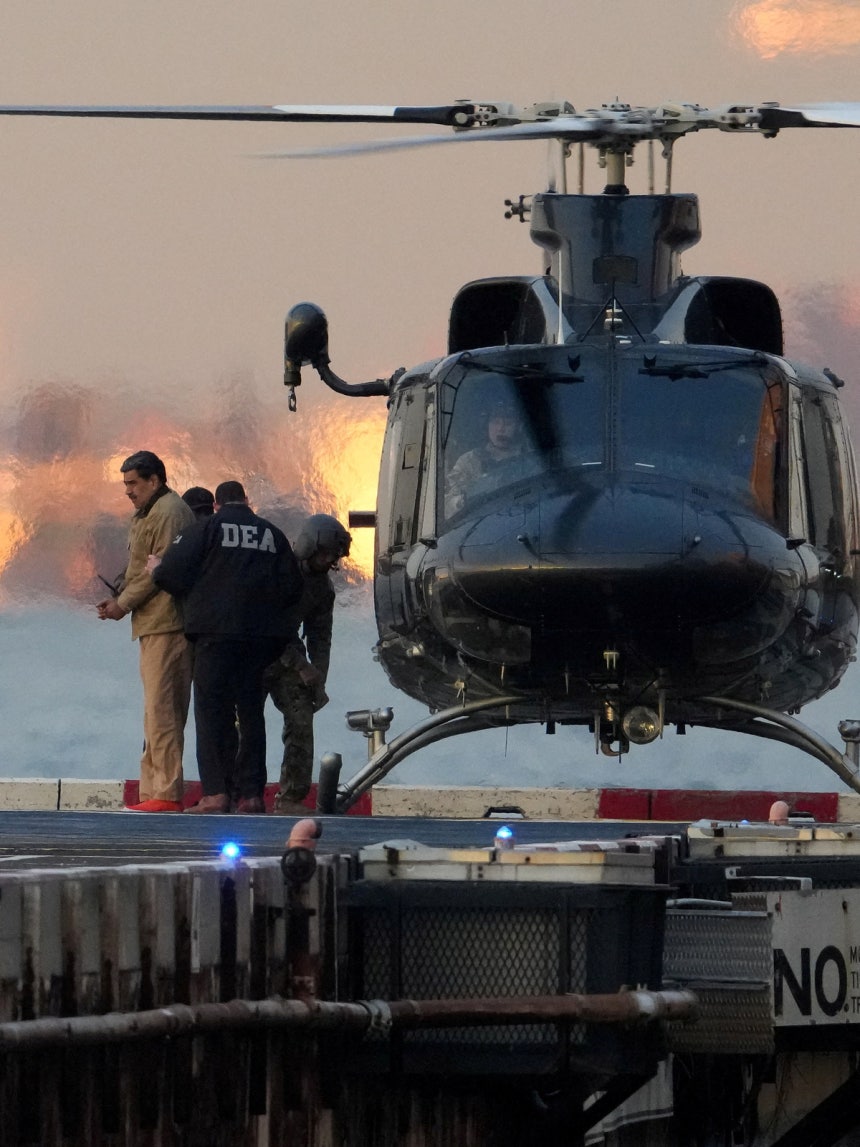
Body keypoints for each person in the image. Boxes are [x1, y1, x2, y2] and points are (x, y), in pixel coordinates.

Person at [149, 480, 302, 814]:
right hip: (260, 641)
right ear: (247, 501)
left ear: (217, 505)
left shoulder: (207, 528)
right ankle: (250, 795)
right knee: (250, 714)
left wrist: (160, 571)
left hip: (214, 636)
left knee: (211, 711)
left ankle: (216, 793)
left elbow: (169, 575)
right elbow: (293, 587)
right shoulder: (272, 534)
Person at [96, 450, 195, 813]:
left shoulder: (169, 512)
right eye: (125, 485)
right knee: (154, 712)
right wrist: (120, 595)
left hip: (169, 623)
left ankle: (166, 793)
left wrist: (123, 604)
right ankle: (153, 790)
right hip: (153, 623)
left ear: (154, 480)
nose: (128, 491)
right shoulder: (148, 513)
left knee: (164, 710)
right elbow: (140, 567)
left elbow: (160, 569)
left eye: (133, 483)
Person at [263, 513, 351, 815]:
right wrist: (302, 666)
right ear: (310, 546)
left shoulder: (322, 589)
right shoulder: (276, 571)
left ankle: (291, 797)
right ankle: (241, 792)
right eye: (327, 554)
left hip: (290, 659)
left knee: (301, 722)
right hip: (254, 653)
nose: (330, 562)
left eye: (334, 557)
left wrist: (319, 680)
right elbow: (269, 627)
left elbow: (320, 636)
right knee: (243, 726)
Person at [445, 398, 525, 516]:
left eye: (508, 423)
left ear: (518, 427)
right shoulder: (469, 461)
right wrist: (466, 498)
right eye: (495, 422)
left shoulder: (528, 457)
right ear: (486, 426)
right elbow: (447, 506)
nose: (501, 429)